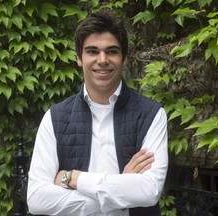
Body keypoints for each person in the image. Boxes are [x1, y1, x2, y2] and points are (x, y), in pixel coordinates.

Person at [27, 8, 168, 216]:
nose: (102, 60)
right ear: (79, 58)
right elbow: (37, 199)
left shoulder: (152, 115)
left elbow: (148, 191)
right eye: (92, 51)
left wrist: (73, 178)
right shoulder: (55, 118)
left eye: (111, 51)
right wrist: (120, 191)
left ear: (125, 58)